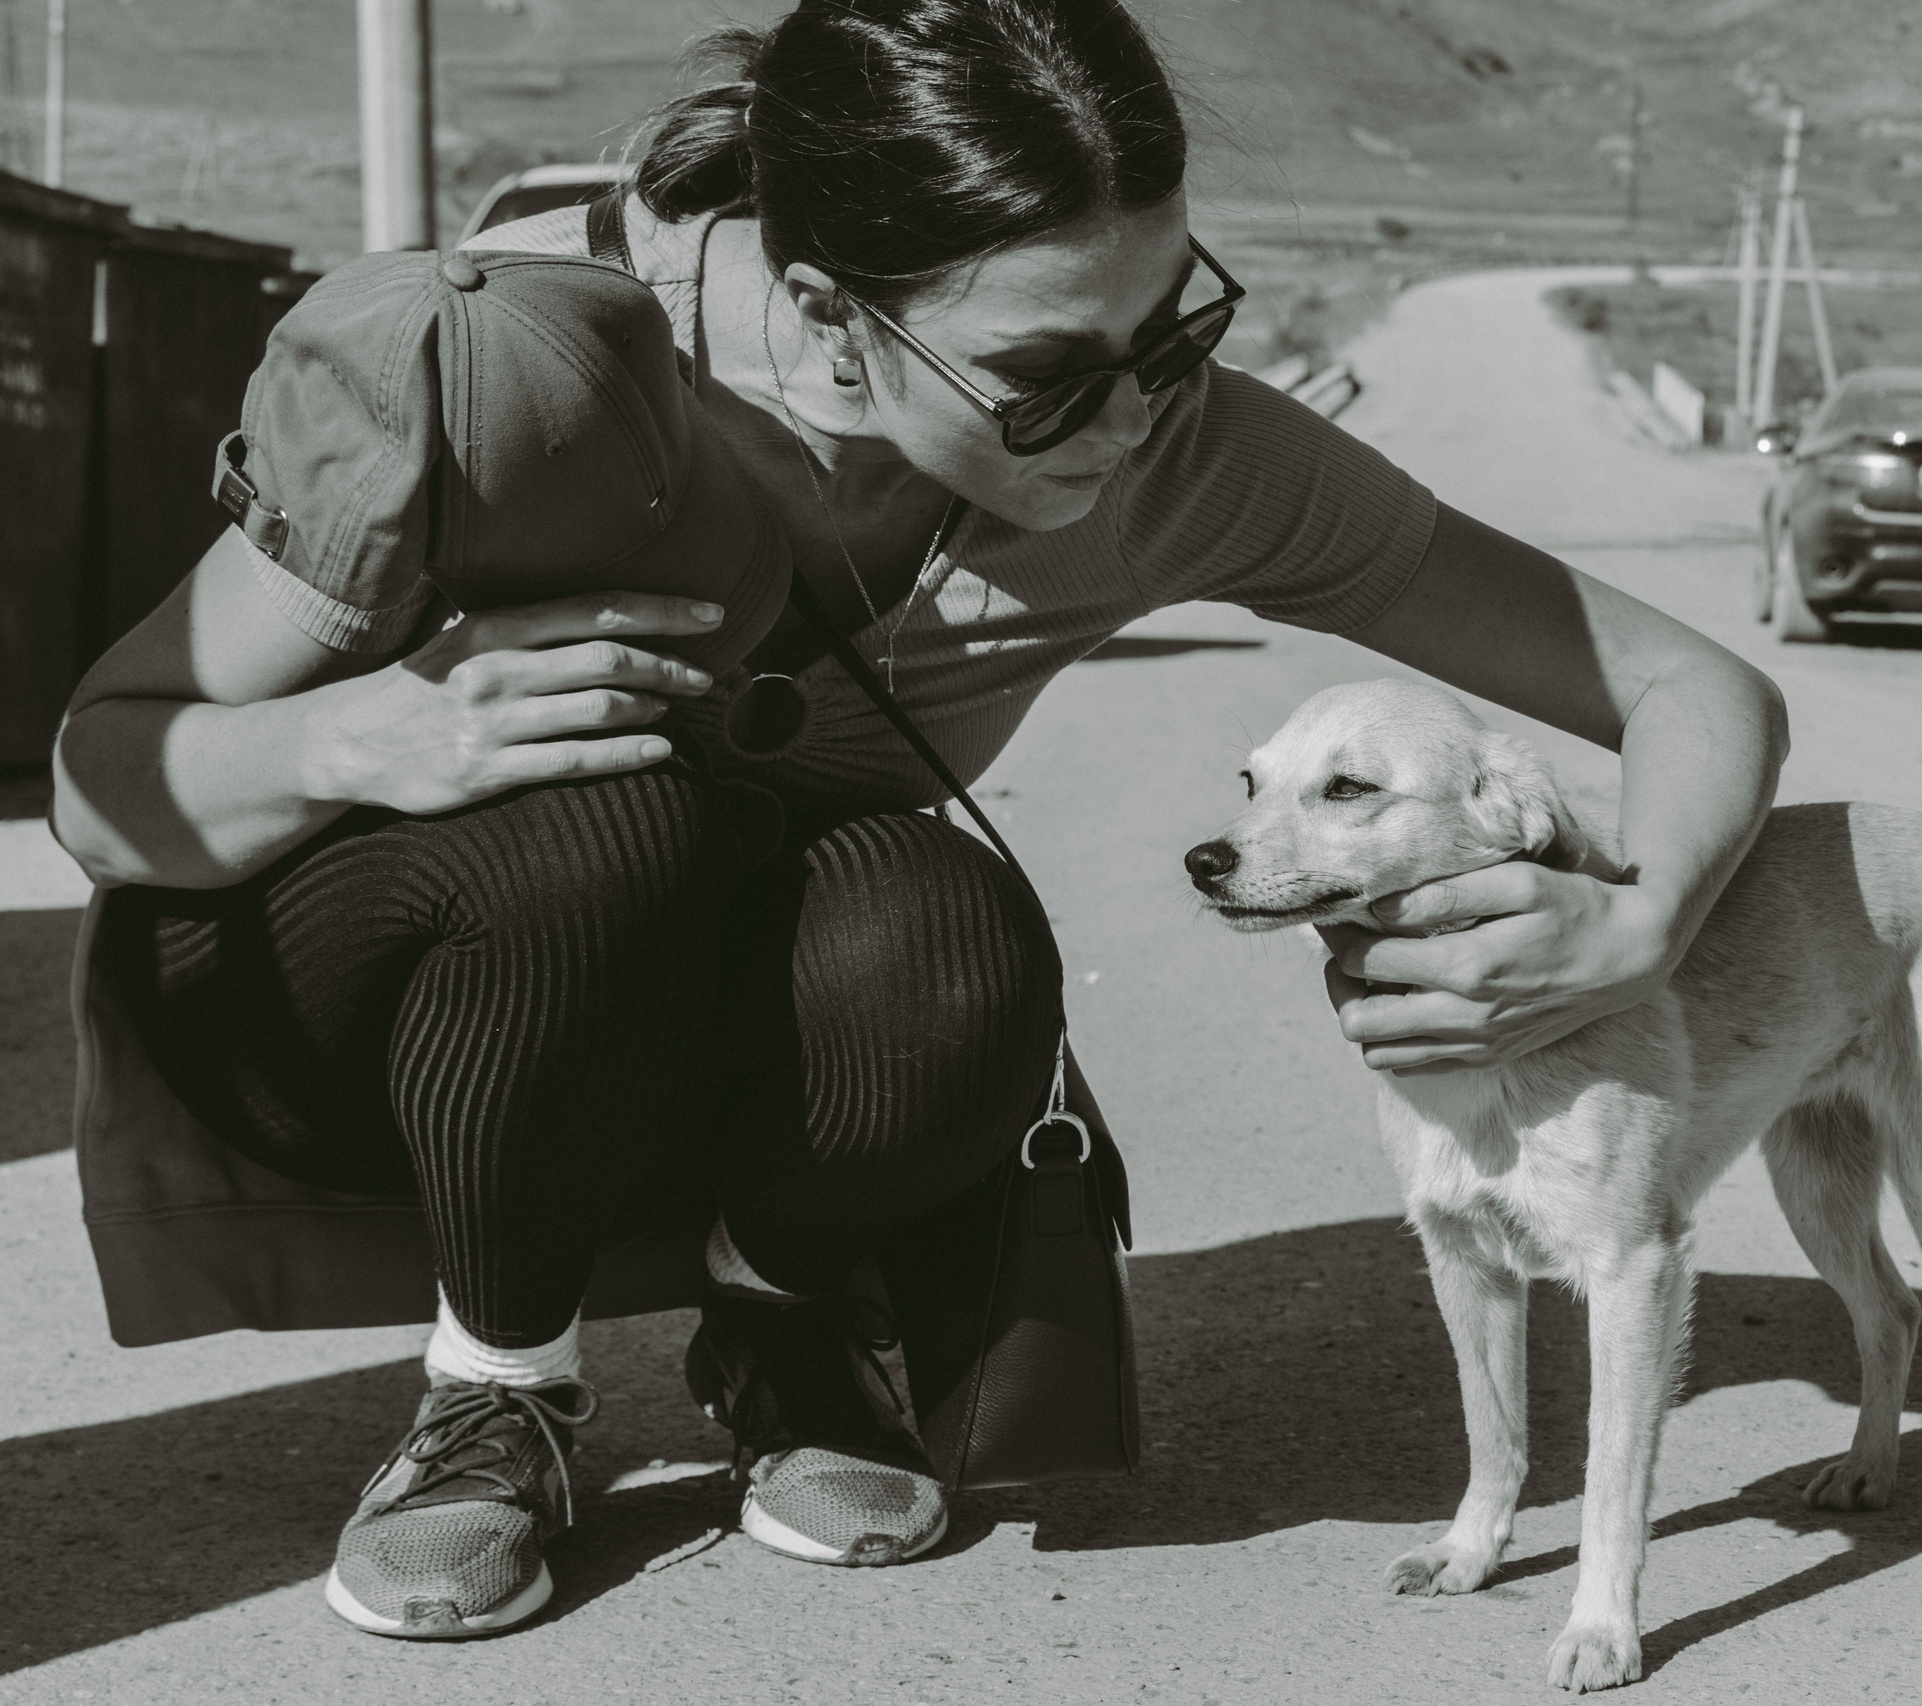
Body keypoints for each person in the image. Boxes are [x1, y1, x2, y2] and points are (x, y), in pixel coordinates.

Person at [49, 0, 1786, 1642]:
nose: (1128, 420)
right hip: (351, 1015)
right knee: (596, 822)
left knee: (956, 930)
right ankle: (495, 1385)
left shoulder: (1168, 449)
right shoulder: (506, 372)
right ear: (823, 317)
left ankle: (785, 1315)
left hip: (675, 1042)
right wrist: (389, 731)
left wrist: (1634, 929)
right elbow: (100, 774)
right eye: (1046, 373)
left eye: (1172, 328)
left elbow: (1701, 691)